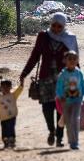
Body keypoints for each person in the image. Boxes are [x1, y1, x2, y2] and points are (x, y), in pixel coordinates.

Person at [20, 12, 79, 147]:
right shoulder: (43, 37)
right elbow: (35, 56)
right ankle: (51, 130)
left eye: (59, 26)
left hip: (64, 80)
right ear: (50, 24)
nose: (56, 29)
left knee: (61, 110)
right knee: (47, 108)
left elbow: (75, 60)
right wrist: (24, 73)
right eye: (54, 25)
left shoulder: (69, 39)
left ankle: (59, 137)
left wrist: (79, 78)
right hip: (45, 78)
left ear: (64, 26)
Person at [55, 51, 84, 150]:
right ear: (65, 60)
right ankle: (71, 139)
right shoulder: (63, 74)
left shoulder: (79, 73)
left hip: (77, 101)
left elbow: (82, 85)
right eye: (69, 59)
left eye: (74, 59)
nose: (72, 61)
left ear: (77, 60)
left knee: (75, 120)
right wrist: (60, 96)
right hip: (66, 102)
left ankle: (75, 142)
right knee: (69, 122)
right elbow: (59, 87)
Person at [0, 79, 23, 149]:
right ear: (1, 88)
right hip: (3, 117)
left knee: (11, 128)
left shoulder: (13, 95)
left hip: (12, 116)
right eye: (3, 87)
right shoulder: (0, 97)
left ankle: (12, 140)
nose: (5, 89)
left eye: (7, 87)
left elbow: (19, 90)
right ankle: (5, 141)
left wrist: (21, 84)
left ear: (10, 87)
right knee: (4, 130)